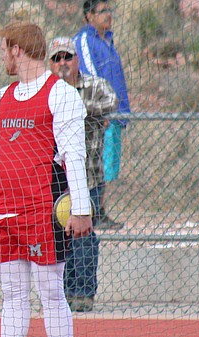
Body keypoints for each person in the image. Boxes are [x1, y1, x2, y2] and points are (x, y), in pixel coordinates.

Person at [0, 22, 96, 337]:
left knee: (52, 291)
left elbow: (74, 155)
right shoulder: (2, 97)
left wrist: (82, 209)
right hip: (4, 211)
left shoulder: (62, 95)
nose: (2, 55)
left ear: (17, 51)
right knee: (12, 293)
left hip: (42, 210)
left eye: (4, 49)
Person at [48, 36, 118, 313]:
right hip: (55, 177)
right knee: (58, 234)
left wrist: (76, 109)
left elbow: (112, 101)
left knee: (84, 233)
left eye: (67, 57)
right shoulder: (46, 90)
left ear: (77, 60)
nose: (62, 63)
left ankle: (84, 292)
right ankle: (63, 292)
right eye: (57, 58)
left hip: (88, 176)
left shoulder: (94, 85)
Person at [73, 0, 129, 230]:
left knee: (106, 164)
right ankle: (92, 212)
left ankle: (100, 210)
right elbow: (90, 77)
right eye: (102, 11)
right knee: (94, 163)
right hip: (97, 116)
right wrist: (102, 108)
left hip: (113, 114)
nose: (108, 15)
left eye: (109, 10)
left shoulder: (108, 41)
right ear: (88, 16)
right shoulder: (85, 40)